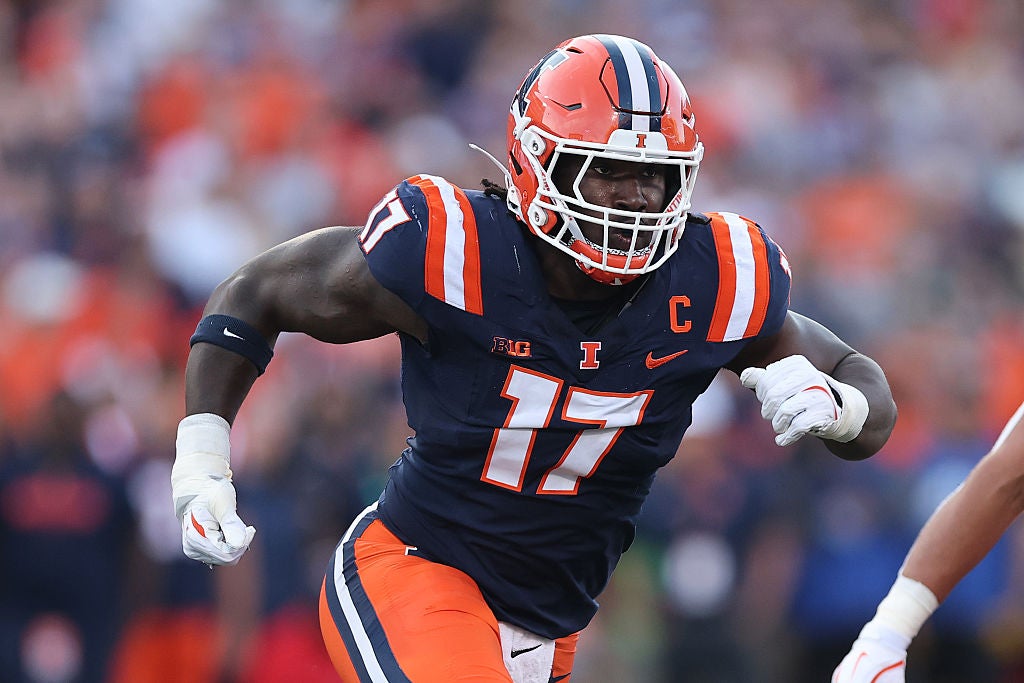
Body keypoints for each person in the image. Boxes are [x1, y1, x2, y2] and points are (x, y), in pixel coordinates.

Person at [171, 34, 897, 683]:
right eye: (606, 173)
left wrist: (840, 408)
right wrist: (202, 460)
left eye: (652, 178)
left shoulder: (713, 282)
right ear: (536, 160)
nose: (633, 200)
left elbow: (867, 398)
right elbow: (256, 292)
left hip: (550, 626)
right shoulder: (457, 251)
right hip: (417, 570)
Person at [832, 401, 1024, 683]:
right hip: (938, 617)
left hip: (982, 612)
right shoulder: (920, 461)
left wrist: (1013, 597)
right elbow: (900, 534)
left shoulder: (983, 449)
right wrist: (896, 625)